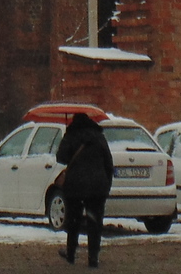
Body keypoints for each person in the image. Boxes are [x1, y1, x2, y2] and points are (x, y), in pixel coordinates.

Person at [56, 111, 115, 267]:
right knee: (94, 222)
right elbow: (109, 163)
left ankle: (71, 253)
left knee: (73, 221)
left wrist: (66, 138)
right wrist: (106, 184)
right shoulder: (99, 137)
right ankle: (93, 257)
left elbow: (60, 158)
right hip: (97, 186)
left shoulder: (71, 136)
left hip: (75, 186)